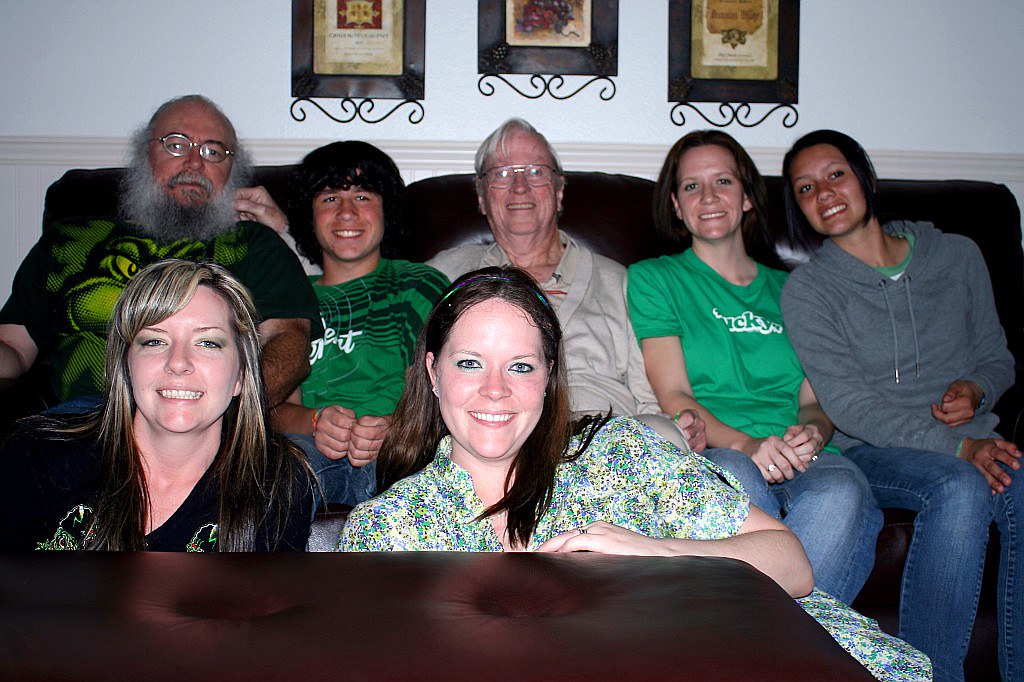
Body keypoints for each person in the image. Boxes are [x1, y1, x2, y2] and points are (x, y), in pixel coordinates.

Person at [339, 267, 930, 681]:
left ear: (550, 377)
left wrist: (648, 551)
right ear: (434, 371)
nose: (495, 391)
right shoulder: (384, 532)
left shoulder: (618, 453)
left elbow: (793, 567)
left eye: (520, 366)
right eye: (470, 364)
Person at [779, 129, 1021, 682]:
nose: (825, 193)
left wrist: (976, 389)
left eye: (835, 174)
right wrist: (960, 447)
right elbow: (849, 407)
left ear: (864, 176)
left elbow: (998, 356)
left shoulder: (958, 255)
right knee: (958, 485)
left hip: (976, 434)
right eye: (805, 188)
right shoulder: (809, 291)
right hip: (877, 449)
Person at [626, 130, 881, 606]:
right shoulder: (654, 278)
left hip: (800, 454)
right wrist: (746, 444)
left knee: (843, 489)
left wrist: (813, 433)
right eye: (691, 187)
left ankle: (772, 655)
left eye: (723, 181)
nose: (709, 197)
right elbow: (675, 395)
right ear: (676, 207)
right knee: (734, 477)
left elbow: (813, 397)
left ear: (746, 197)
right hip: (722, 450)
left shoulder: (796, 289)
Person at [0, 94, 320, 409]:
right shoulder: (69, 238)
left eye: (213, 151)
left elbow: (288, 344)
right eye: (176, 144)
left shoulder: (256, 244)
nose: (195, 163)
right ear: (145, 154)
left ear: (232, 170)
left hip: (208, 424)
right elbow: (13, 346)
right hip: (84, 424)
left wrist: (232, 420)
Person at [426, 118, 704, 451]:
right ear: (482, 197)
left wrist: (680, 427)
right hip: (497, 434)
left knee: (662, 433)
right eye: (501, 173)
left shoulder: (621, 282)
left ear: (559, 192)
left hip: (605, 444)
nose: (519, 186)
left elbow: (649, 404)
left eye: (535, 172)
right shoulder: (442, 276)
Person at [0, 260, 315, 551]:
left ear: (241, 375)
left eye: (207, 343)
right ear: (126, 364)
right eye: (155, 341)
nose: (178, 363)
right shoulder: (35, 456)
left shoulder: (277, 487)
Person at [273, 141, 448, 474]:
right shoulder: (290, 298)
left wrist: (395, 429)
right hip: (304, 457)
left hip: (399, 456)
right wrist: (313, 421)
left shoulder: (416, 285)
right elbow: (270, 408)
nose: (346, 213)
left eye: (363, 197)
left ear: (387, 211)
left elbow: (449, 386)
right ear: (309, 217)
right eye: (329, 199)